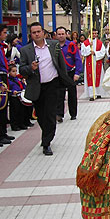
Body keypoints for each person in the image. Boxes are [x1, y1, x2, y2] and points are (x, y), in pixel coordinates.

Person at [19, 22, 74, 155]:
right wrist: (30, 68)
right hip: (37, 86)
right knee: (40, 115)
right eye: (34, 32)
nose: (37, 34)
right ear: (31, 35)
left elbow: (60, 63)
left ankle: (46, 142)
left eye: (39, 31)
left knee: (50, 114)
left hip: (52, 85)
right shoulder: (26, 50)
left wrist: (64, 79)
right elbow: (21, 69)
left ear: (43, 32)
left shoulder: (53, 45)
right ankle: (46, 133)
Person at [55, 27, 82, 121]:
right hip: (59, 74)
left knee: (72, 95)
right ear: (56, 35)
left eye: (63, 34)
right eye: (59, 34)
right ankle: (59, 114)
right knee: (59, 95)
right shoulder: (54, 46)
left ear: (66, 34)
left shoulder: (71, 45)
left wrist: (77, 73)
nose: (61, 36)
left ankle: (73, 114)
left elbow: (78, 59)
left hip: (70, 73)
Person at [81, 30, 106, 100]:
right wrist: (89, 47)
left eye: (96, 33)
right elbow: (83, 52)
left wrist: (95, 53)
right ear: (89, 33)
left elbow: (103, 52)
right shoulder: (85, 43)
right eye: (93, 33)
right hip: (89, 62)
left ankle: (98, 92)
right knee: (90, 77)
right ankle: (91, 94)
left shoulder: (100, 43)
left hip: (97, 61)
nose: (94, 35)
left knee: (98, 76)